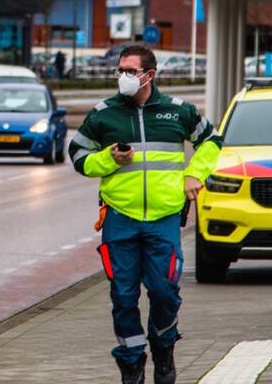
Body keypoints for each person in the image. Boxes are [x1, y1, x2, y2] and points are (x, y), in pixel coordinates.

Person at [69, 44, 221, 384]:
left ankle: (163, 350)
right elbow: (78, 155)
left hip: (164, 218)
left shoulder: (178, 112)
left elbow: (211, 140)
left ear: (149, 75)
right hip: (119, 218)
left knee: (165, 291)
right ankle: (131, 363)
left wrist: (195, 175)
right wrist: (108, 158)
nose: (122, 76)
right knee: (123, 297)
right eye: (119, 70)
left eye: (129, 71)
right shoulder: (102, 114)